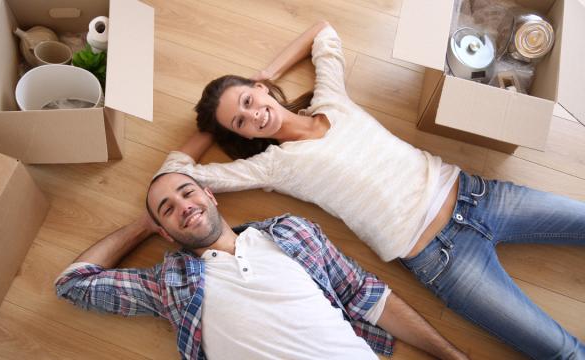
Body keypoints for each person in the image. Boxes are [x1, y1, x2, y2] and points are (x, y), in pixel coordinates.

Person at [157, 21, 585, 359]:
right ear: (243, 136)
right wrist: (213, 127)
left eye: (249, 102)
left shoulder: (331, 98)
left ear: (261, 90)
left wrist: (265, 72)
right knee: (560, 350)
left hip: (477, 196)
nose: (254, 117)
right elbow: (175, 170)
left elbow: (322, 31)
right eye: (240, 123)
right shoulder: (272, 166)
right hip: (443, 260)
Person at [55, 172, 468, 360]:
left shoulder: (291, 231)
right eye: (167, 210)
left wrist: (452, 357)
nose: (183, 207)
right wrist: (142, 224)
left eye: (187, 193)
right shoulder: (169, 282)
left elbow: (370, 298)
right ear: (164, 232)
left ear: (211, 196)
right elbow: (73, 283)